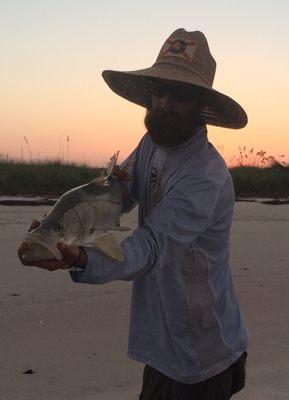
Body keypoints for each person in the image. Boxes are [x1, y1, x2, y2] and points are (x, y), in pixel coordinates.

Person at [18, 28, 249, 400]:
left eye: (182, 93)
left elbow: (151, 247)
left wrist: (80, 257)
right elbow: (118, 191)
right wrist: (59, 225)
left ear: (201, 102)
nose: (166, 102)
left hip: (200, 350)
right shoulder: (151, 143)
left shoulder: (204, 177)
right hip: (160, 338)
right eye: (159, 87)